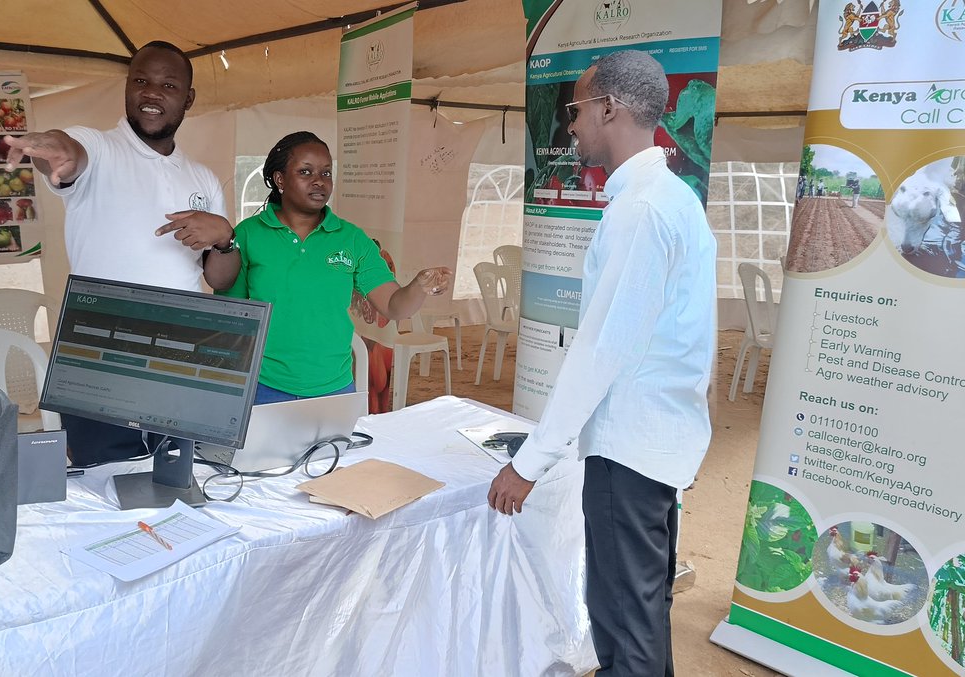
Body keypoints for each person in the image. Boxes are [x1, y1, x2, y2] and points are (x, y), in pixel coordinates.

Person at [487, 50, 716, 676]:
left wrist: (530, 461)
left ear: (609, 108)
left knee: (625, 628)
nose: (571, 127)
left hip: (629, 447)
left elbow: (601, 350)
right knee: (639, 613)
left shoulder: (641, 210)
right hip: (654, 438)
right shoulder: (670, 196)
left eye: (577, 111)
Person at [5, 40, 241, 465]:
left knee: (174, 479)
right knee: (102, 483)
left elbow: (219, 279)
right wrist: (55, 150)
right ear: (127, 88)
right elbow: (69, 151)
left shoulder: (202, 178)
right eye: (141, 81)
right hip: (99, 355)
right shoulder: (98, 147)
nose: (152, 93)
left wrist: (225, 237)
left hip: (179, 356)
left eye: (168, 85)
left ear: (187, 98)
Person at [221, 131, 452, 404]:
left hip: (334, 388)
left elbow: (392, 305)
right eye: (306, 172)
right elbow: (229, 312)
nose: (319, 181)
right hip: (263, 386)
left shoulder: (351, 239)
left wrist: (418, 287)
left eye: (327, 173)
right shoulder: (249, 234)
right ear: (280, 179)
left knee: (335, 449)